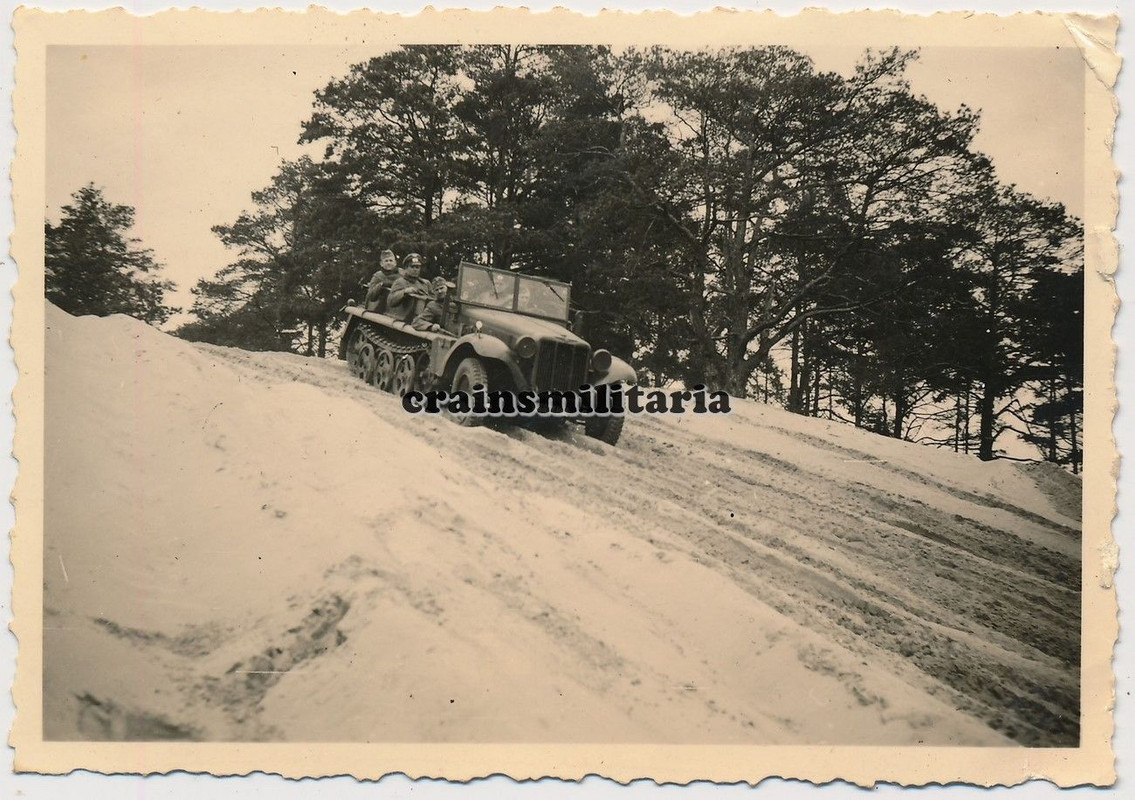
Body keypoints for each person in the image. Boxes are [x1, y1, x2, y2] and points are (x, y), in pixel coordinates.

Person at [386, 253, 433, 322]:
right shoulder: (400, 282)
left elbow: (433, 300)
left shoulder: (426, 283)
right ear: (406, 268)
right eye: (412, 267)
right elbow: (390, 301)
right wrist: (404, 291)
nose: (415, 269)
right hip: (405, 318)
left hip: (425, 318)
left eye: (417, 267)